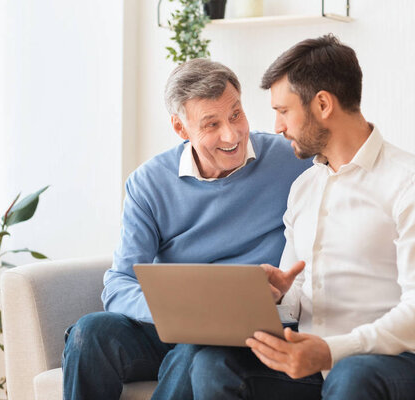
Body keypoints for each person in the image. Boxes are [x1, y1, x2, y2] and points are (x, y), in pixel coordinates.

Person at [61, 58, 312, 399]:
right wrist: (177, 315)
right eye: (211, 124)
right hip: (171, 327)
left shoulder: (291, 159)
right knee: (88, 333)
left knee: (197, 351)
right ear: (181, 128)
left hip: (245, 333)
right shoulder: (149, 183)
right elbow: (119, 283)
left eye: (236, 114)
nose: (232, 133)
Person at [188, 34, 415, 399]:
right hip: (312, 360)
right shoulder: (304, 187)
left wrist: (332, 350)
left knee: (352, 374)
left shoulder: (406, 184)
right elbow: (297, 294)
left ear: (323, 104)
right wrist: (277, 294)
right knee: (212, 362)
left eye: (283, 111)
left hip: (391, 360)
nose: (277, 127)